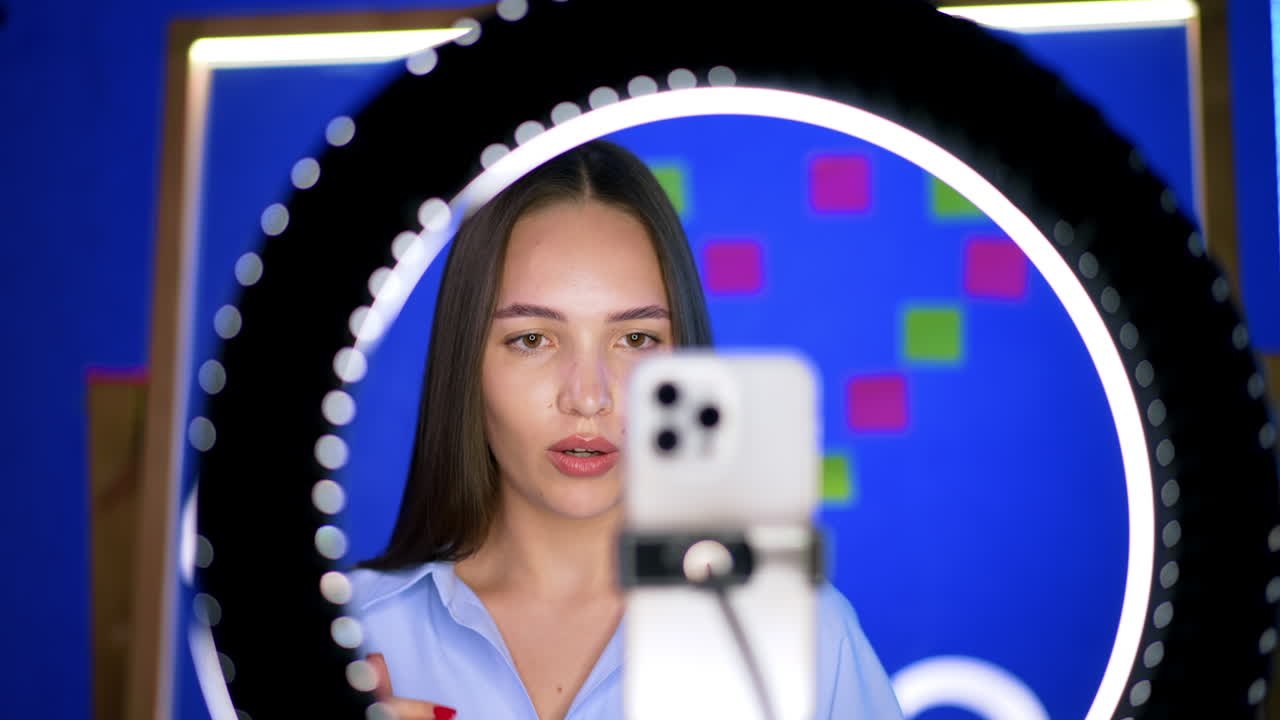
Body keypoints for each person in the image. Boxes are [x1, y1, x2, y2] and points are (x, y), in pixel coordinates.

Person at [348, 139, 903, 720]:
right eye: (532, 339)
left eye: (636, 340)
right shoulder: (353, 630)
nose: (588, 397)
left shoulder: (806, 636)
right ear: (466, 363)